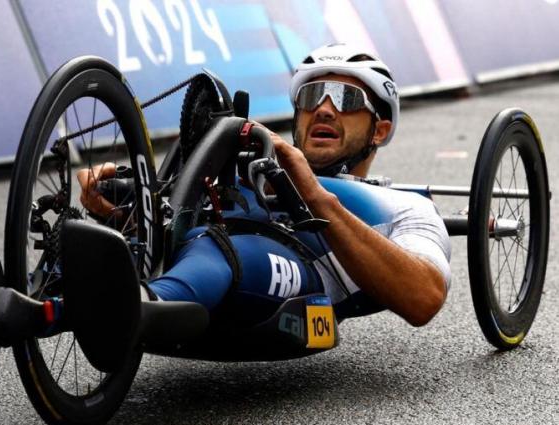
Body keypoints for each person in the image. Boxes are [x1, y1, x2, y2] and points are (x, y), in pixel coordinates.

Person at [78, 43, 451, 327]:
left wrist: (315, 195)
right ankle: (45, 303)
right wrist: (123, 209)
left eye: (346, 98)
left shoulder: (405, 207)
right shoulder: (250, 167)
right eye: (311, 96)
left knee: (222, 248)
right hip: (195, 246)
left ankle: (144, 306)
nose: (323, 108)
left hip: (280, 266)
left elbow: (423, 298)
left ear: (380, 130)